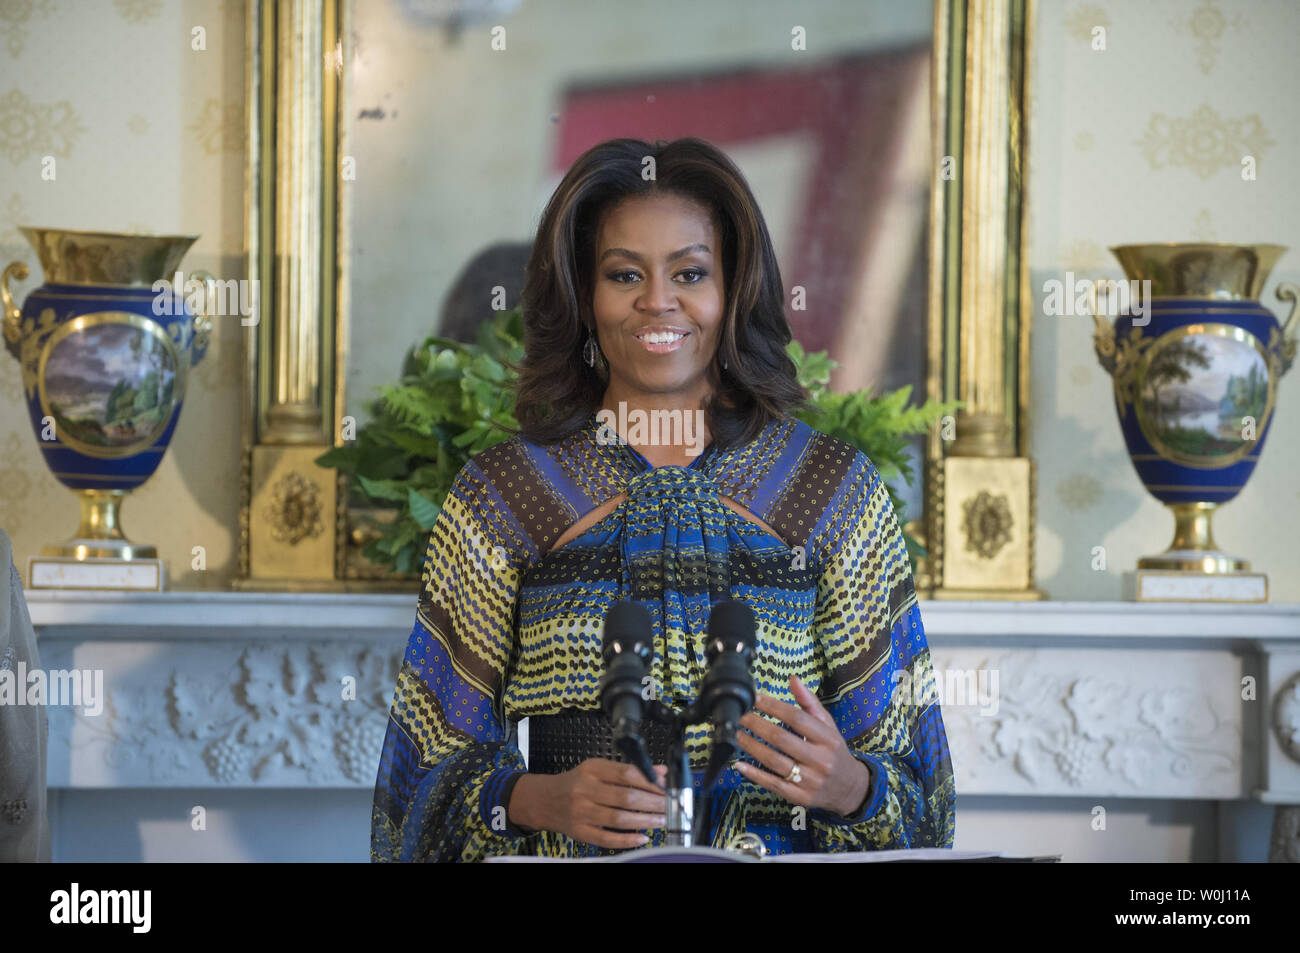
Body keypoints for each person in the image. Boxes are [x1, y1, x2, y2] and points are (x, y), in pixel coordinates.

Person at [370, 137, 955, 861]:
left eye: (690, 271)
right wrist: (531, 798)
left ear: (733, 287)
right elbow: (408, 803)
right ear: (584, 294)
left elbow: (929, 810)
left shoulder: (830, 491)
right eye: (623, 273)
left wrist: (852, 787)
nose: (658, 300)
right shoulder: (505, 495)